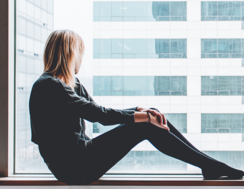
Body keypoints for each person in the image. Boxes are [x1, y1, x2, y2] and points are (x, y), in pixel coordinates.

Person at [29, 30, 244, 185]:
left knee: (150, 114)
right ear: (70, 54)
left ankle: (207, 164)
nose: (82, 59)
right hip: (75, 168)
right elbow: (98, 115)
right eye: (80, 53)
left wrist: (141, 110)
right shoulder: (48, 86)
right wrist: (142, 117)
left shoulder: (72, 84)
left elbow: (97, 109)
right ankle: (208, 165)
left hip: (82, 159)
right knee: (146, 124)